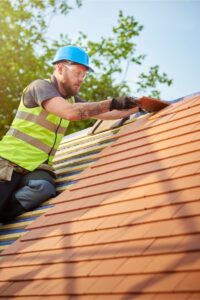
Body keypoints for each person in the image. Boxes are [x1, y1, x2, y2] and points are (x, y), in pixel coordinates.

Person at [0, 45, 169, 222]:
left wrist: (138, 105)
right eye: (78, 72)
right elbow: (70, 112)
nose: (82, 78)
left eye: (85, 74)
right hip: (7, 162)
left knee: (44, 187)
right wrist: (113, 102)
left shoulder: (72, 100)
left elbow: (106, 113)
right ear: (59, 68)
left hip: (33, 169)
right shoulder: (39, 87)